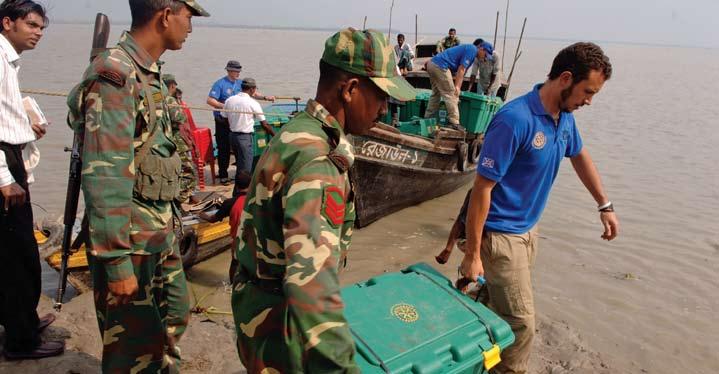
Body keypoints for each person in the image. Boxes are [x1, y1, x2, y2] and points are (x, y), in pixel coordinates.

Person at [231, 27, 416, 373]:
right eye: (382, 97)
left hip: (255, 307)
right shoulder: (319, 164)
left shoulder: (297, 130)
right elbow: (311, 289)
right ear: (350, 90)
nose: (385, 109)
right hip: (280, 328)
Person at [458, 42, 619, 374]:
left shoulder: (564, 117)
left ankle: (474, 360)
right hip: (502, 235)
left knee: (497, 307)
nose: (588, 101)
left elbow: (580, 156)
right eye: (587, 91)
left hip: (529, 231)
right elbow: (481, 190)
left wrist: (604, 204)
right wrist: (472, 253)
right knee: (522, 326)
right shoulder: (514, 120)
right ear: (565, 78)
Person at [66, 1, 209, 372]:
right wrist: (116, 261)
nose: (191, 27)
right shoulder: (115, 74)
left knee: (174, 316)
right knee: (131, 347)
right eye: (188, 17)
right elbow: (104, 174)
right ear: (166, 15)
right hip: (130, 239)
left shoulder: (148, 73)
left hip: (157, 232)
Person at [0, 0, 63, 360]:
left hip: (10, 152)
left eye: (42, 27)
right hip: (4, 160)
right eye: (33, 25)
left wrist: (26, 124)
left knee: (13, 251)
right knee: (18, 254)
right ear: (8, 22)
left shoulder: (9, 61)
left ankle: (18, 320)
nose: (39, 32)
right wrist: (5, 176)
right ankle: (21, 341)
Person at [207, 61, 275, 185]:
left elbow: (252, 94)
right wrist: (227, 107)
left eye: (239, 71)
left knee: (239, 153)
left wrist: (265, 98)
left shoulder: (241, 83)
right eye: (235, 71)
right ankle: (223, 174)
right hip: (224, 119)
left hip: (234, 120)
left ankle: (240, 178)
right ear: (228, 71)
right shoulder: (220, 84)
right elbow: (210, 100)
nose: (238, 73)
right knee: (224, 148)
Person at [221, 77, 275, 194]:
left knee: (240, 166)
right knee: (245, 170)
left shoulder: (230, 100)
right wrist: (275, 135)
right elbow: (264, 124)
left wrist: (234, 125)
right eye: (255, 89)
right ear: (252, 89)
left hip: (233, 137)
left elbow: (223, 118)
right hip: (244, 138)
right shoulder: (253, 103)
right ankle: (240, 196)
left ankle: (237, 193)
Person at [198, 171, 251, 280]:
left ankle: (231, 286)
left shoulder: (229, 203)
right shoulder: (256, 201)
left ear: (236, 186)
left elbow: (213, 219)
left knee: (235, 263)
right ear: (251, 185)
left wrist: (201, 214)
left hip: (238, 240)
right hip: (255, 240)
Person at [424, 39, 483, 130]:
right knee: (451, 93)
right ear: (482, 49)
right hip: (441, 66)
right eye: (486, 55)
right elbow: (461, 70)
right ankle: (454, 122)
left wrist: (457, 84)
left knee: (436, 94)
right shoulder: (473, 50)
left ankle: (428, 118)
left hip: (432, 64)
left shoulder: (469, 50)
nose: (485, 58)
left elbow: (461, 74)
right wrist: (457, 87)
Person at [164, 73, 198, 205]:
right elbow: (179, 120)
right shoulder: (170, 100)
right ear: (172, 85)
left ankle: (183, 199)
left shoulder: (155, 98)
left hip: (165, 142)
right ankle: (178, 202)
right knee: (187, 172)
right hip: (176, 142)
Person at [435, 189, 472, 264]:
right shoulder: (477, 191)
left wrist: (448, 249)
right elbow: (462, 220)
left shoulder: (477, 190)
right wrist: (448, 249)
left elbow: (461, 220)